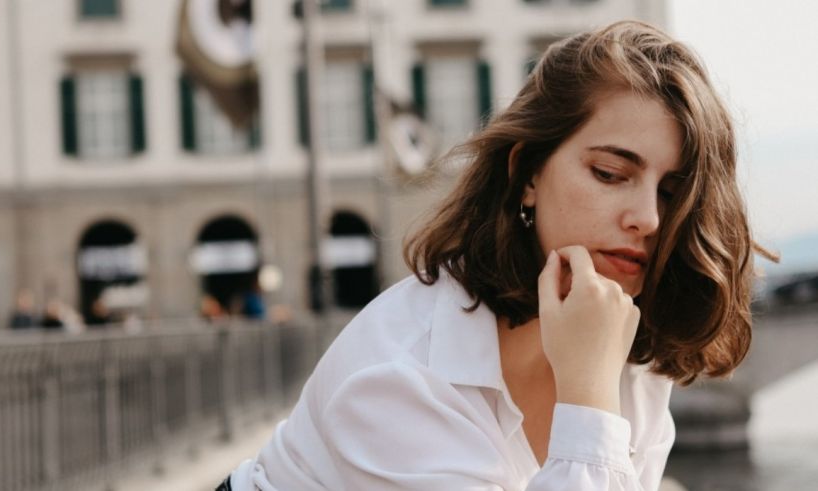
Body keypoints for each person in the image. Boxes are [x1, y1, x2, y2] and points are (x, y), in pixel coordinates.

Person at [221, 21, 775, 490]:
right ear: (526, 174)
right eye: (610, 174)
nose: (648, 220)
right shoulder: (403, 378)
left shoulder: (628, 354)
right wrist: (587, 397)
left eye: (671, 193)